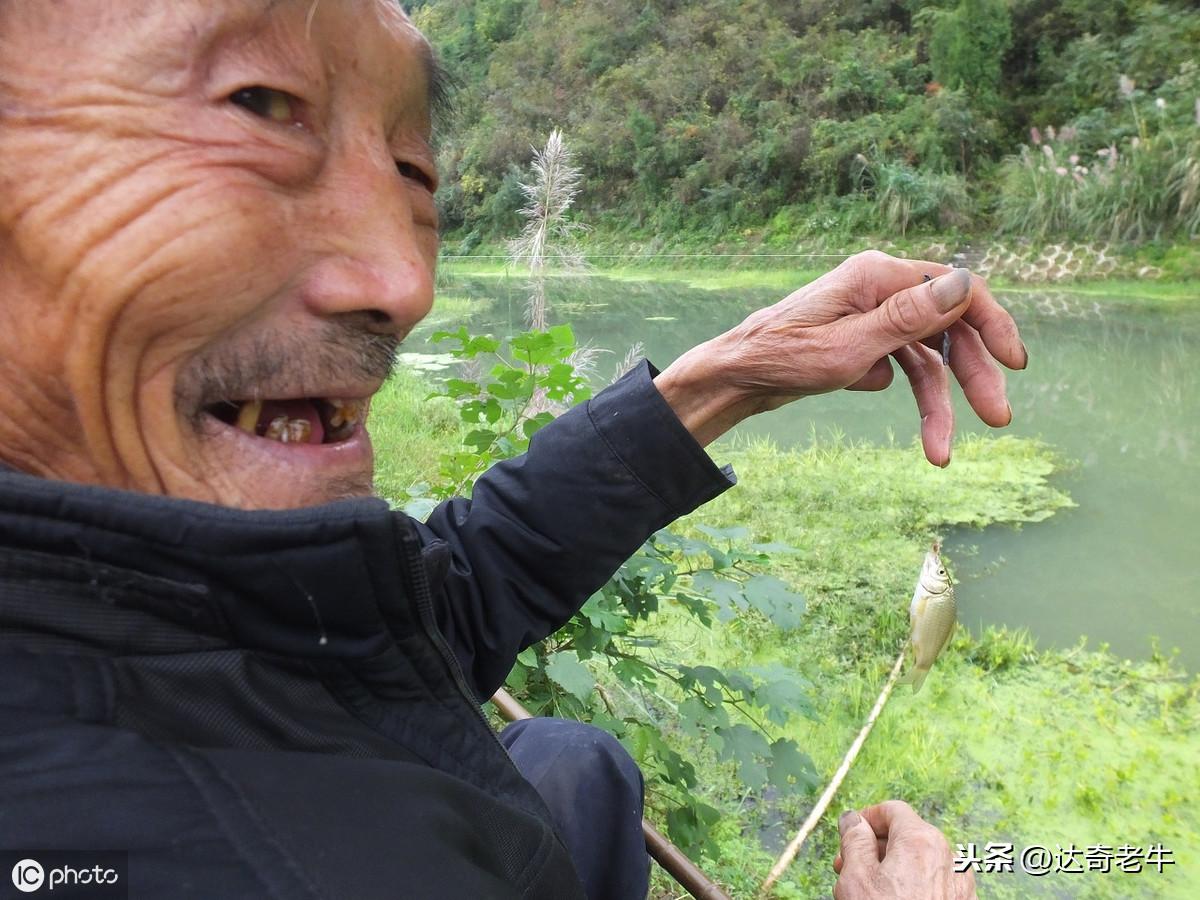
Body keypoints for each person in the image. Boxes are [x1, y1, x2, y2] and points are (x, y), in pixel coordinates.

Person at [0, 2, 1021, 898]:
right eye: (260, 105)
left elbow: (411, 618)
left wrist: (729, 374)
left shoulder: (146, 590)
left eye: (412, 168)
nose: (404, 281)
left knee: (577, 760)